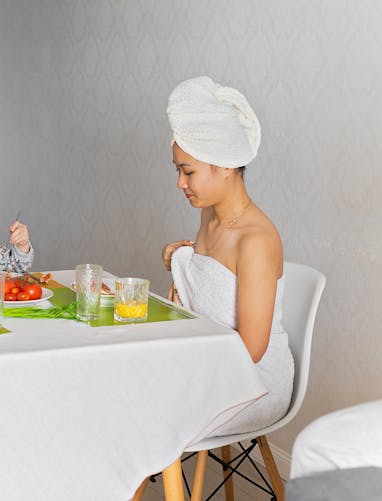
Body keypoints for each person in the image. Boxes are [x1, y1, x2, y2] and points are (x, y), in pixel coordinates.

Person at [162, 76, 293, 435]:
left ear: (226, 165)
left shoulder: (256, 241)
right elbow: (209, 296)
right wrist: (179, 263)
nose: (180, 183)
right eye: (178, 170)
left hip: (254, 382)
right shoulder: (210, 213)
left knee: (142, 404)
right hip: (210, 363)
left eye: (188, 171)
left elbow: (249, 350)